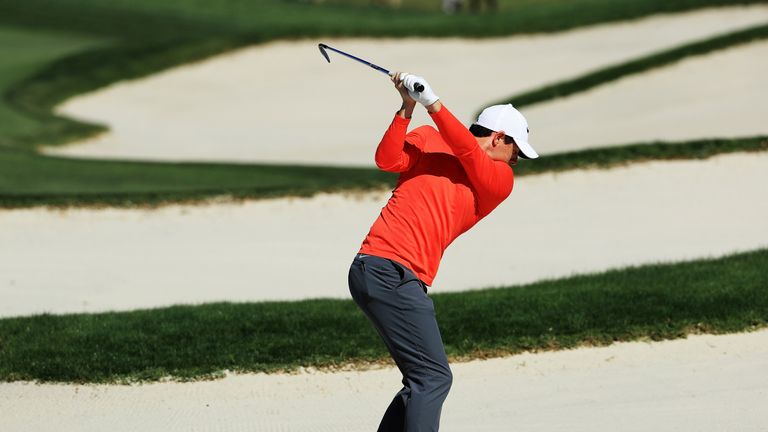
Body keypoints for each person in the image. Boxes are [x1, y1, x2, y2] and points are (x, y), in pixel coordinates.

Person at [347, 72, 538, 432]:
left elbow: (467, 150)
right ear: (499, 138)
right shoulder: (430, 138)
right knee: (433, 379)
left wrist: (431, 102)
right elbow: (387, 160)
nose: (516, 162)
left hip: (393, 275)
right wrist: (407, 107)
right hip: (387, 270)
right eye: (517, 153)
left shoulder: (498, 181)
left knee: (422, 381)